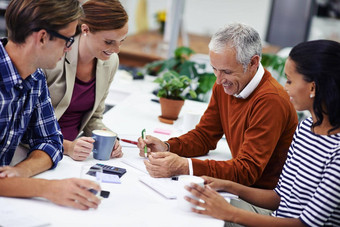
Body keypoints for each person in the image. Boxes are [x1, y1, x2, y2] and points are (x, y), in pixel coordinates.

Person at [185, 40, 340, 226]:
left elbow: (305, 225)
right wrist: (226, 185)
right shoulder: (306, 129)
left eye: (290, 80)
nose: (285, 87)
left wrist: (229, 213)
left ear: (313, 87)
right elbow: (279, 197)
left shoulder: (337, 150)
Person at [138, 23, 298, 189]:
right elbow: (205, 136)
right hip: (240, 188)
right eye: (215, 69)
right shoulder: (226, 85)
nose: (219, 80)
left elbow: (247, 171)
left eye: (227, 72)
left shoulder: (271, 100)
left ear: (253, 63)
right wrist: (168, 146)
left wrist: (186, 166)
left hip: (261, 196)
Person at [0, 0, 100, 209]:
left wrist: (21, 172)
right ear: (43, 37)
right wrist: (45, 188)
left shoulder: (35, 78)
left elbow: (51, 141)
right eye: (67, 40)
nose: (67, 49)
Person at [43, 0, 128, 161]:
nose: (116, 50)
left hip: (76, 153)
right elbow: (28, 124)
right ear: (85, 29)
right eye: (109, 42)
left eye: (121, 41)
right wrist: (67, 147)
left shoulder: (110, 61)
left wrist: (109, 139)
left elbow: (94, 117)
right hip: (42, 150)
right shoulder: (54, 57)